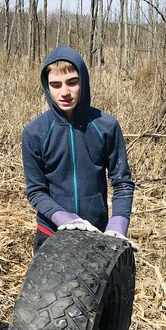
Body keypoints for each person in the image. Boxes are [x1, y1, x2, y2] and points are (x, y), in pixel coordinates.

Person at [22, 46, 135, 251]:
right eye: (55, 85)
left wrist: (118, 225)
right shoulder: (35, 132)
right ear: (47, 88)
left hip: (97, 233)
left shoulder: (106, 126)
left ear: (83, 81)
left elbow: (122, 183)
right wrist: (64, 218)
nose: (64, 92)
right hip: (51, 234)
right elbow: (36, 191)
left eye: (72, 82)